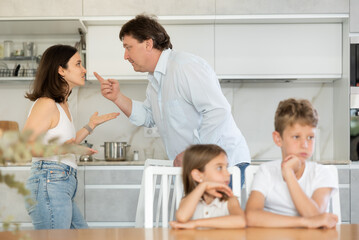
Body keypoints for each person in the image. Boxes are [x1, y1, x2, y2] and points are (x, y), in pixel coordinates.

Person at [95, 14, 251, 187]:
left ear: (148, 43)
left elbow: (217, 110)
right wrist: (117, 97)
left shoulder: (185, 67)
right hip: (197, 166)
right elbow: (148, 117)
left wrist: (194, 154)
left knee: (214, 214)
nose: (125, 56)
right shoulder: (155, 81)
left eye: (128, 47)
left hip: (223, 165)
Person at [23, 44, 120, 229]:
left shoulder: (62, 105)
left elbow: (67, 143)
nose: (84, 70)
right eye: (78, 64)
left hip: (60, 181)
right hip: (49, 181)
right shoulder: (46, 103)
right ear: (61, 70)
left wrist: (90, 126)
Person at [245, 98, 338, 228]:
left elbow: (315, 217)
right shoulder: (266, 171)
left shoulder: (322, 173)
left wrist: (289, 174)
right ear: (278, 139)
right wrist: (303, 222)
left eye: (310, 137)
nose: (305, 145)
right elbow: (251, 216)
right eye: (296, 137)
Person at [169, 144, 246, 229]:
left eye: (226, 167)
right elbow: (182, 217)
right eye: (219, 168)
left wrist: (195, 223)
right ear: (198, 176)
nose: (227, 173)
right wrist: (203, 186)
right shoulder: (188, 200)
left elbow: (241, 221)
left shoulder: (230, 200)